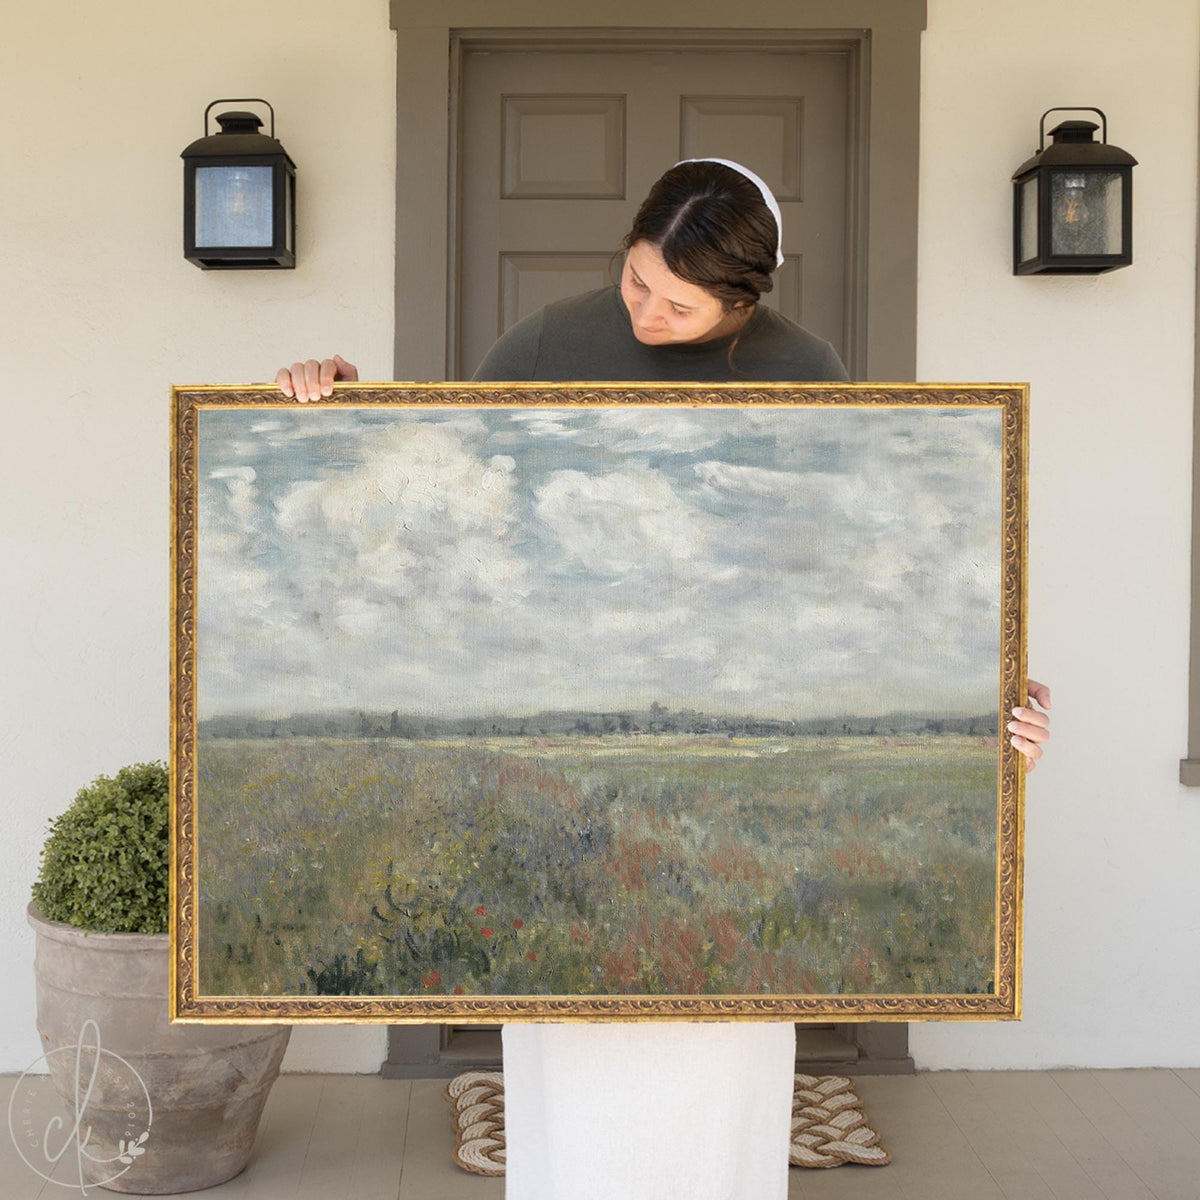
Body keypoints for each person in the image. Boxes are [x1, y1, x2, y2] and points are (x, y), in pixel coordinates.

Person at [278, 158, 1051, 1199]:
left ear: (744, 301)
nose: (644, 312)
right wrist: (339, 415)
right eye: (635, 281)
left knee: (717, 1096)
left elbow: (879, 575)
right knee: (574, 1096)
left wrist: (988, 699)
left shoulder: (807, 371)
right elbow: (449, 469)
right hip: (566, 773)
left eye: (678, 303)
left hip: (735, 780)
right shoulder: (548, 341)